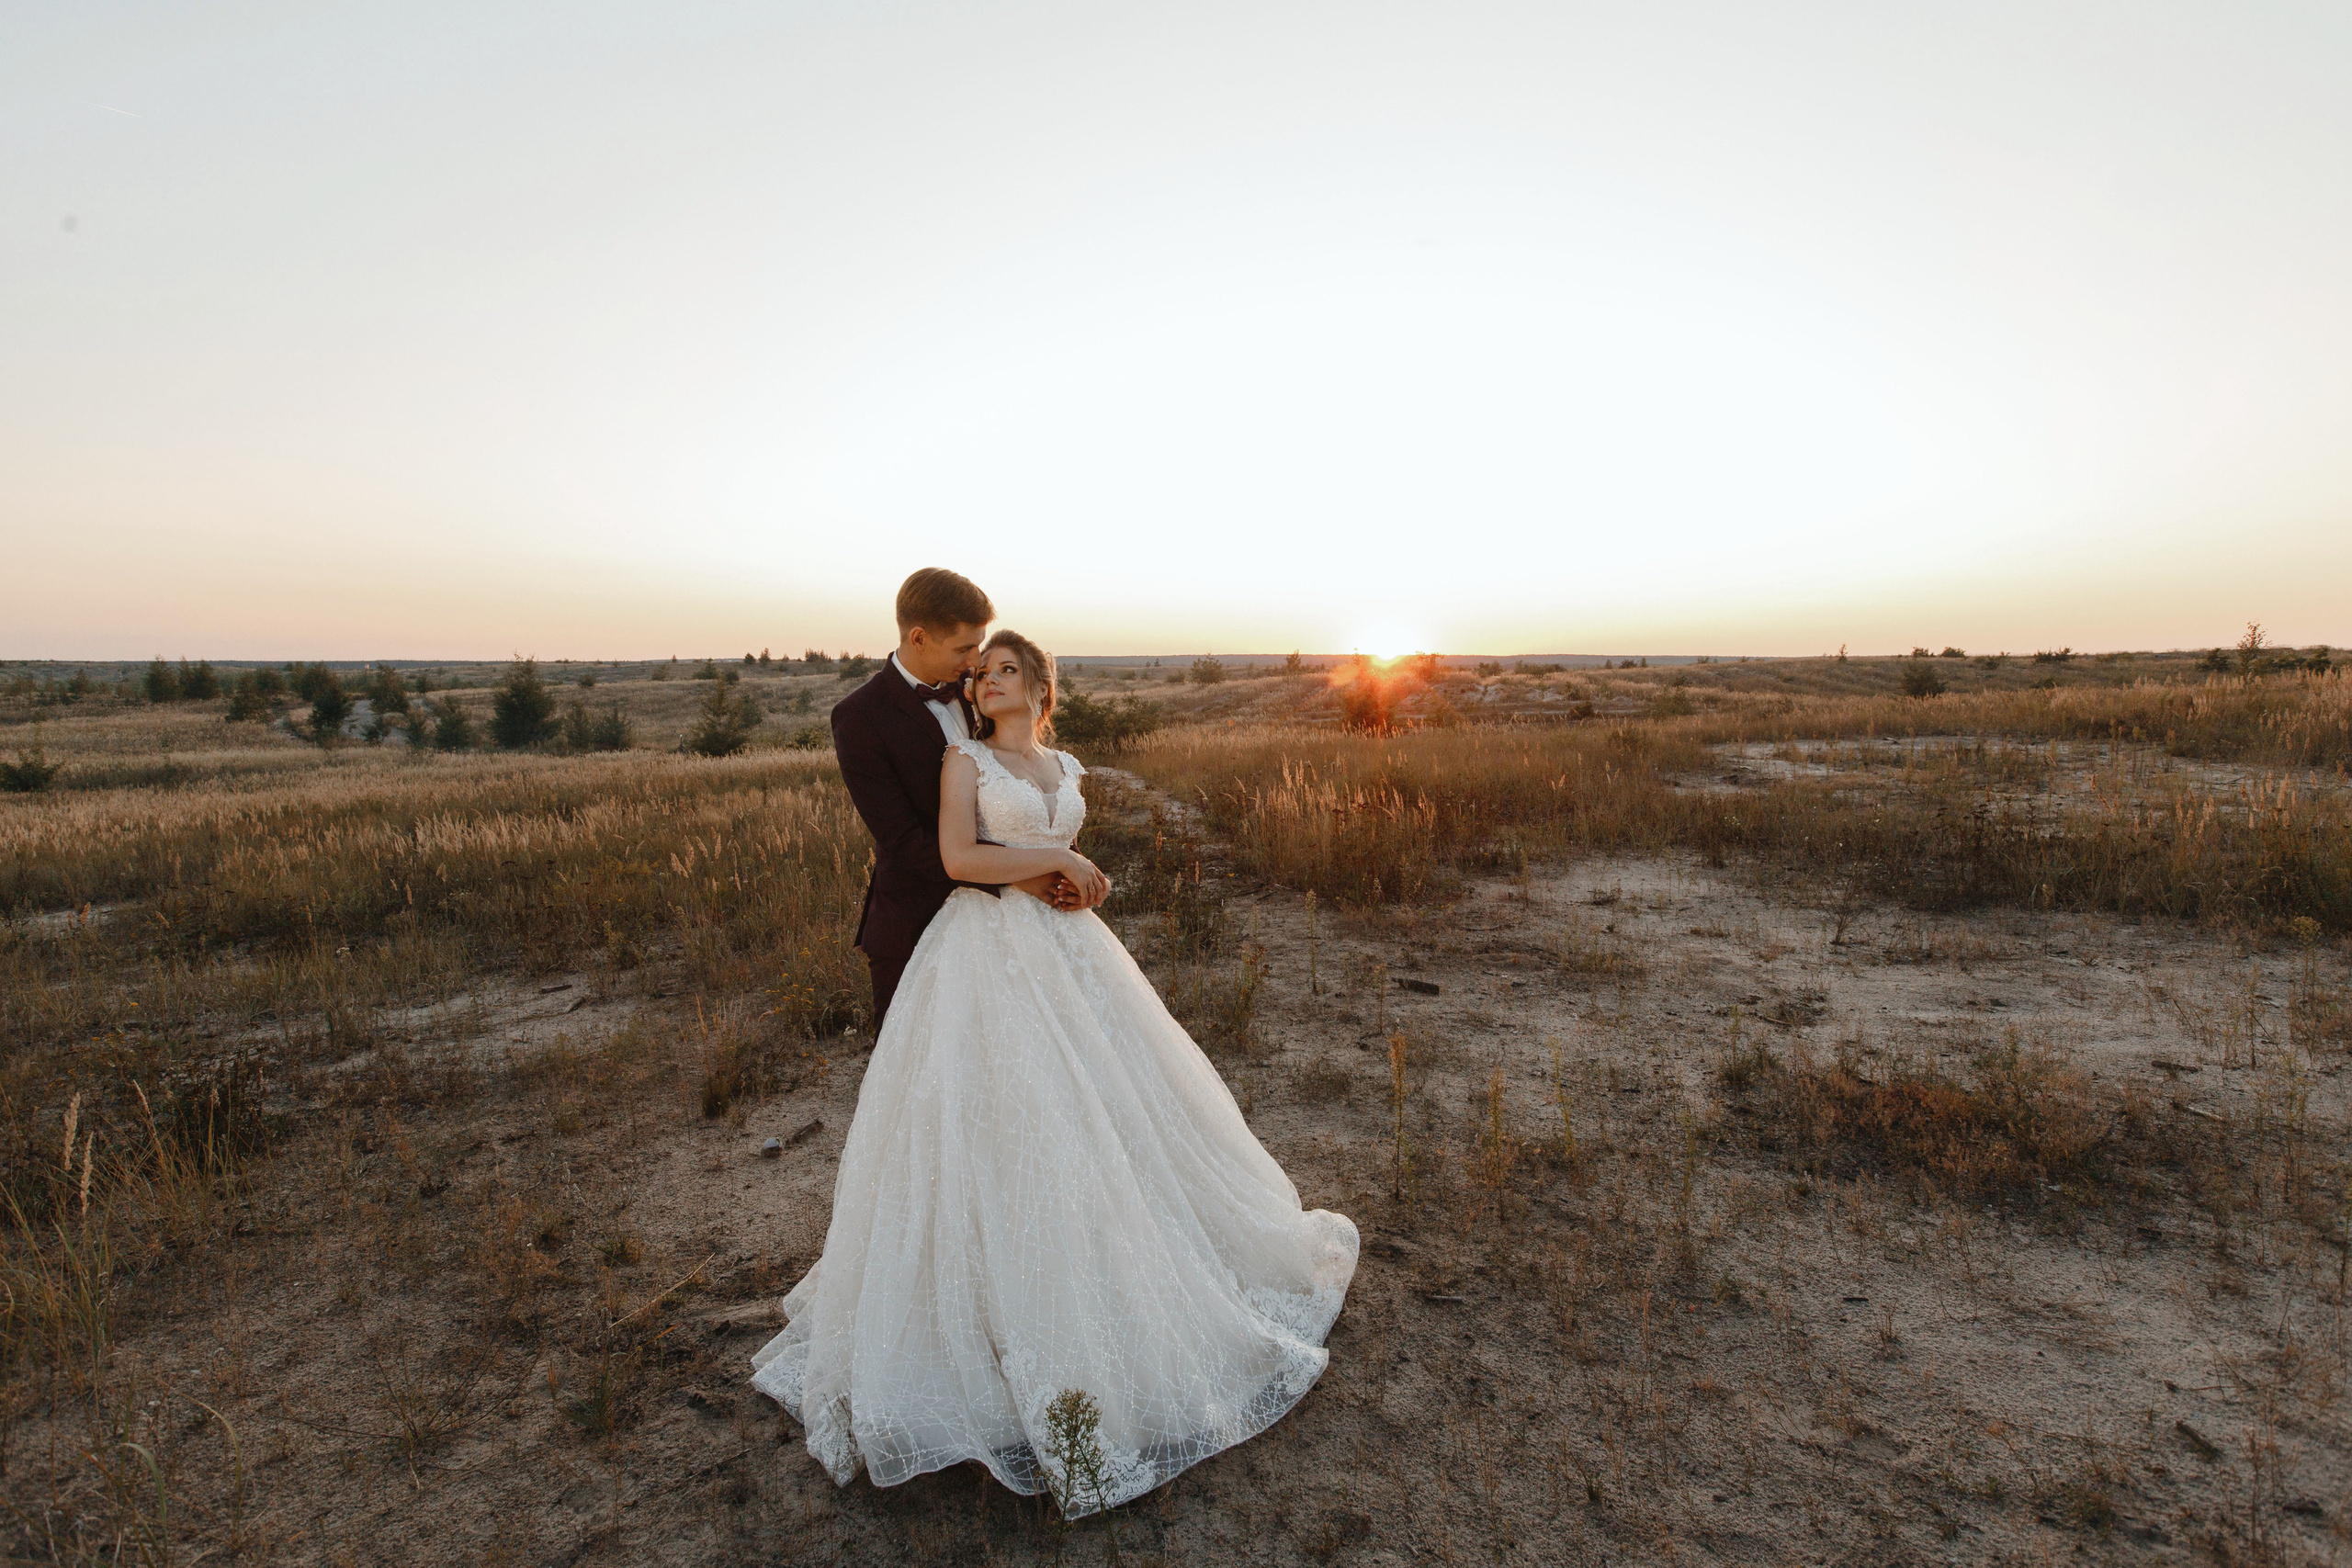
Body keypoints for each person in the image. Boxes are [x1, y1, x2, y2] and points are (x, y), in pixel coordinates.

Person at [752, 627, 1358, 1514]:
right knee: (1008, 1123)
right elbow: (960, 860)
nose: (983, 679)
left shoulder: (1068, 767)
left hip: (1073, 954)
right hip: (985, 955)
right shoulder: (964, 761)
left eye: (1003, 669)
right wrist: (1057, 860)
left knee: (1113, 1114)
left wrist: (1086, 879)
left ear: (1039, 685)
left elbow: (1063, 864)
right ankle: (996, 1319)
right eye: (979, 669)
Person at [827, 569, 1090, 1032]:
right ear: (920, 637)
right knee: (924, 1077)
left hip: (1021, 928)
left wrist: (1065, 866)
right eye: (966, 649)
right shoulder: (859, 717)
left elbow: (1018, 791)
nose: (976, 661)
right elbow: (904, 838)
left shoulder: (977, 693)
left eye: (981, 648)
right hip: (916, 918)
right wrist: (1022, 874)